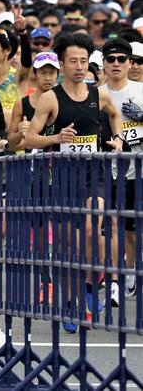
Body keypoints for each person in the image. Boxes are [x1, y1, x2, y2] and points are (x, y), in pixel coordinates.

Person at [25, 33, 124, 333]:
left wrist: (117, 138)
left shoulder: (99, 94)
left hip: (94, 174)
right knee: (69, 246)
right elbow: (30, 138)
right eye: (73, 61)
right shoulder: (50, 98)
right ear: (62, 64)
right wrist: (56, 138)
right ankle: (70, 303)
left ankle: (92, 285)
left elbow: (116, 115)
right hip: (64, 177)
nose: (79, 67)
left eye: (84, 61)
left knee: (94, 224)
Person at [96, 38, 143, 307]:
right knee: (113, 224)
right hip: (108, 172)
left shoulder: (141, 91)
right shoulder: (95, 94)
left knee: (134, 229)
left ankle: (132, 265)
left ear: (129, 63)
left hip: (139, 169)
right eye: (111, 59)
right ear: (103, 63)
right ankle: (117, 279)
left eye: (121, 59)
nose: (116, 64)